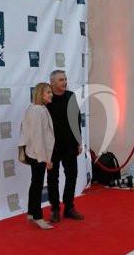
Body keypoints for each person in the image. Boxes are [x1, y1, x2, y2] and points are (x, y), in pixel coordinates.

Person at [46, 70, 85, 223]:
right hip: (52, 147)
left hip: (69, 144)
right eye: (61, 80)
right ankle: (55, 209)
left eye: (65, 79)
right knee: (52, 178)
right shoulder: (47, 99)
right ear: (52, 82)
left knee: (72, 175)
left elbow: (76, 119)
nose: (64, 82)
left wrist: (78, 141)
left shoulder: (70, 96)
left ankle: (69, 207)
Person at [19, 83, 56, 230]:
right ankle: (38, 216)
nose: (51, 94)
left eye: (51, 92)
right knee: (37, 184)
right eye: (48, 92)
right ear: (40, 94)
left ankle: (31, 212)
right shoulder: (36, 111)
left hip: (36, 153)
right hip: (37, 154)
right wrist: (45, 159)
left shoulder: (38, 109)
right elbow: (37, 137)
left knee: (35, 183)